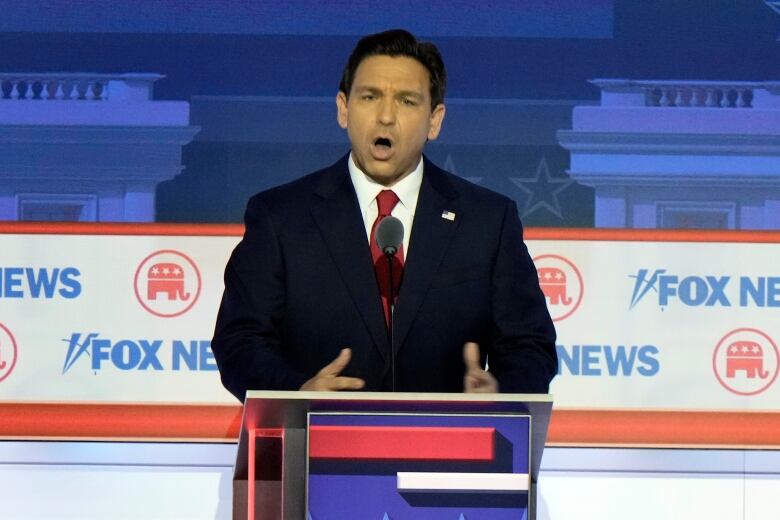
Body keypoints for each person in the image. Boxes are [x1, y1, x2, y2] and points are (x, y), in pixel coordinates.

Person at [211, 29, 557, 400]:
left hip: (446, 450)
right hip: (314, 447)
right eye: (370, 97)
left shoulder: (487, 220)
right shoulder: (280, 216)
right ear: (343, 109)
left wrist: (499, 392)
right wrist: (296, 393)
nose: (386, 116)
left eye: (407, 101)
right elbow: (240, 340)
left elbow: (530, 346)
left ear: (435, 120)